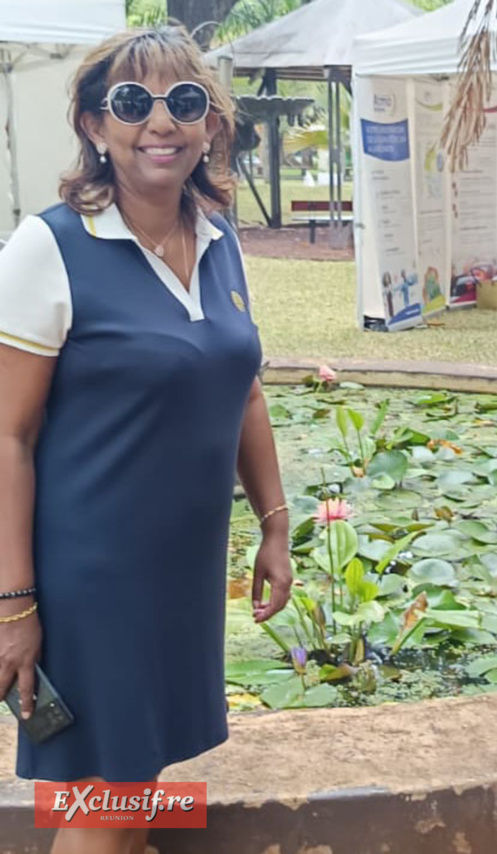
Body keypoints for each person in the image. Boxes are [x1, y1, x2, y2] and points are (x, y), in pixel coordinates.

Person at [0, 26, 293, 854]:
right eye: (133, 103)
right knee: (107, 798)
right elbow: (7, 439)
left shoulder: (219, 239)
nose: (161, 122)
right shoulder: (48, 247)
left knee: (138, 780)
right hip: (94, 578)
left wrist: (274, 523)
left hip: (183, 571)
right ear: (96, 126)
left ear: (209, 126)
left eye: (185, 102)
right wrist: (12, 607)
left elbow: (242, 387)